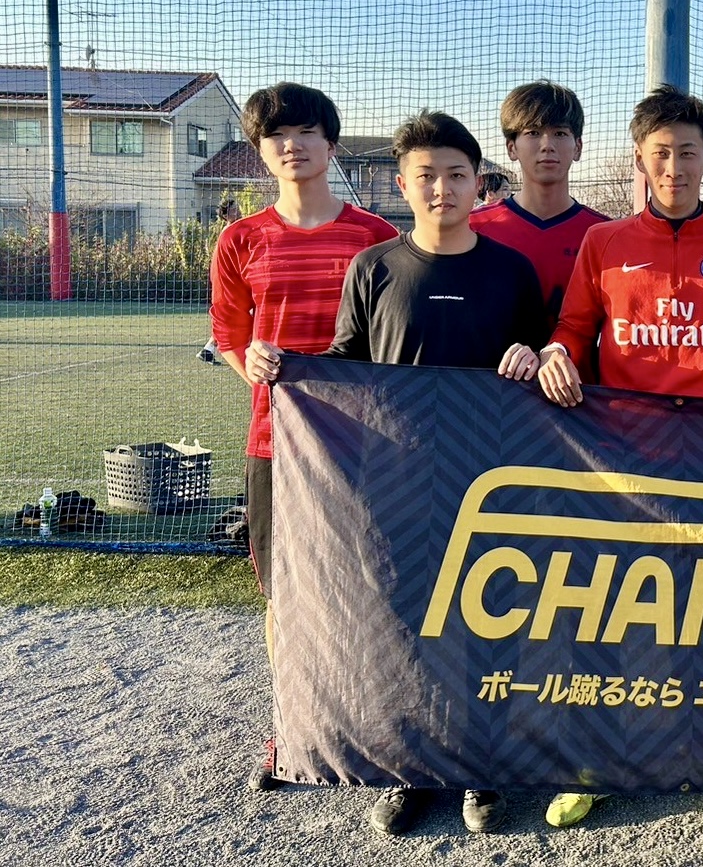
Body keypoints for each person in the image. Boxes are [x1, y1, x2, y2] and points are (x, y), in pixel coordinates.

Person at [245, 109, 546, 837]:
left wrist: (535, 356)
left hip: (488, 479)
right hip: (397, 479)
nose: (442, 189)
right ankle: (410, 767)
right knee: (402, 619)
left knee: (485, 618)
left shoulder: (511, 271)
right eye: (426, 176)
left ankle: (481, 766)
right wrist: (282, 367)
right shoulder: (375, 267)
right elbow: (344, 366)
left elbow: (544, 363)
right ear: (403, 185)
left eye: (456, 175)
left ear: (479, 182)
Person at [536, 84, 703, 829]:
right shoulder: (604, 243)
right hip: (622, 459)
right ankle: (595, 761)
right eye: (661, 153)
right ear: (639, 160)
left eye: (688, 153)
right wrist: (556, 353)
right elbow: (574, 328)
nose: (675, 166)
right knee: (609, 615)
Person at [208, 83, 398, 791]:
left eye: (306, 132)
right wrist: (251, 364)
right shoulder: (240, 239)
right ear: (261, 151)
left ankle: (378, 722)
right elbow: (229, 335)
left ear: (331, 143)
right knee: (286, 592)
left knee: (375, 584)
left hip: (368, 442)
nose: (292, 146)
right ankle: (296, 724)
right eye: (276, 136)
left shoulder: (374, 237)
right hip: (277, 443)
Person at [470, 81, 607, 329]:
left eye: (560, 133)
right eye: (533, 132)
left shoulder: (604, 235)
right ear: (511, 148)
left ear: (578, 147)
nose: (547, 145)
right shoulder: (473, 228)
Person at [197, 199, 244, 365]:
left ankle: (208, 349)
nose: (238, 212)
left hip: (231, 280)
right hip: (228, 282)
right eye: (234, 210)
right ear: (226, 216)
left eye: (237, 208)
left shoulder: (236, 229)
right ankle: (210, 349)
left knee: (231, 318)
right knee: (230, 317)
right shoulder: (231, 231)